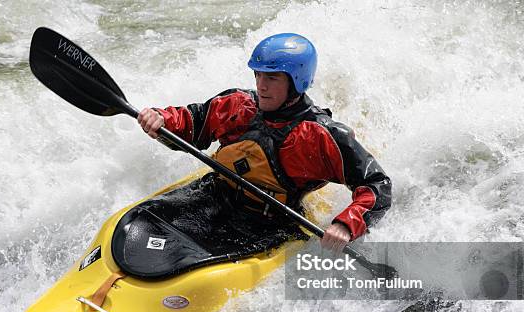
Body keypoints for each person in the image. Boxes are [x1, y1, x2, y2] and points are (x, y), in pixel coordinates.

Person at [137, 33, 391, 252]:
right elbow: (193, 123)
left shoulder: (320, 136)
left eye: (272, 78)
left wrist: (345, 224)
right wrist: (162, 121)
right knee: (142, 221)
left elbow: (377, 185)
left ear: (296, 82)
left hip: (269, 222)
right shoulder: (237, 105)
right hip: (213, 195)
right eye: (258, 75)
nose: (261, 86)